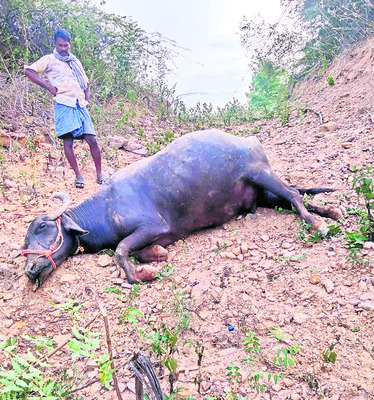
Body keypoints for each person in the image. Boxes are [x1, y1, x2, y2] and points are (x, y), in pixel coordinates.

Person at [24, 29, 104, 188]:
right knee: (68, 141)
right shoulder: (49, 59)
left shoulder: (75, 61)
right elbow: (29, 71)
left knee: (92, 140)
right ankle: (78, 176)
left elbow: (86, 82)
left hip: (79, 104)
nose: (63, 48)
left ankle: (100, 174)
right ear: (55, 44)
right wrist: (49, 87)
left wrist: (86, 98)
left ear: (69, 44)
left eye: (65, 45)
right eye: (60, 45)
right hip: (63, 103)